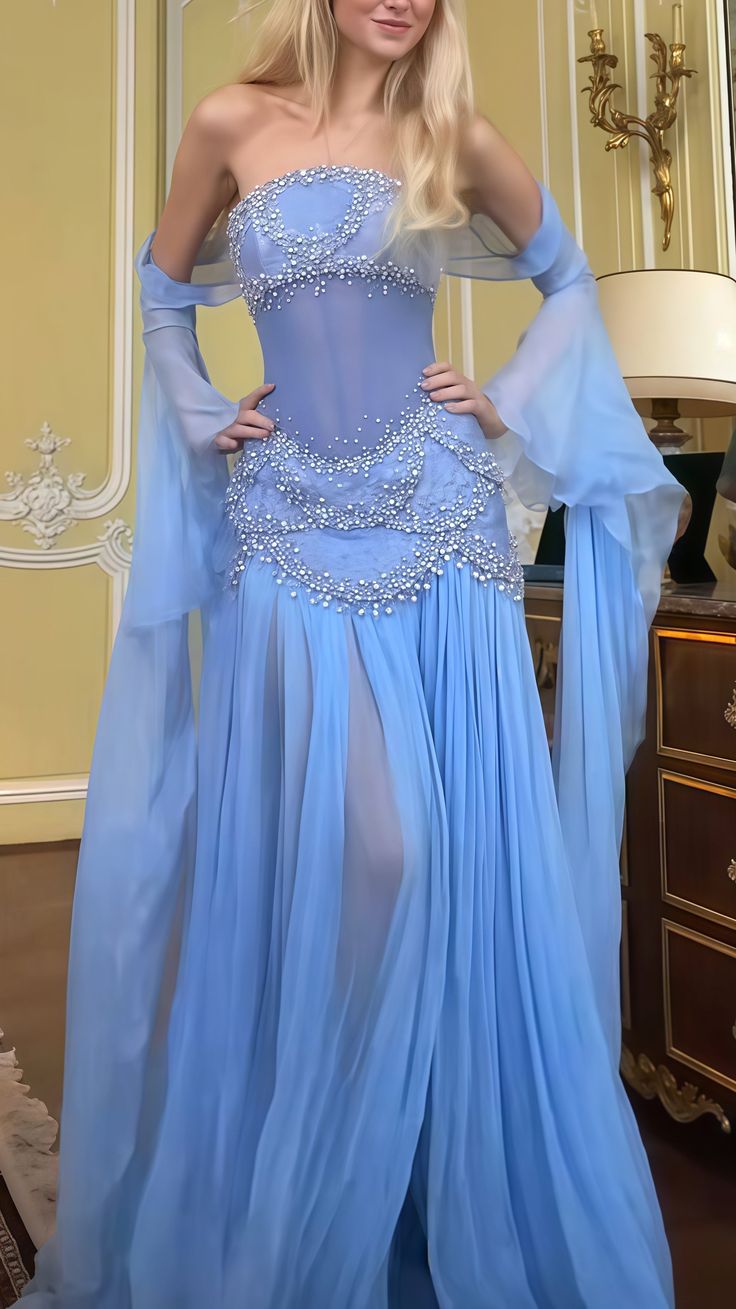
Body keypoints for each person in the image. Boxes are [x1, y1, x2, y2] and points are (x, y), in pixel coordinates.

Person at [21, 1, 688, 1305]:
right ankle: (311, 1168)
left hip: (437, 526)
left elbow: (569, 280)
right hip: (286, 529)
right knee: (359, 853)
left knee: (431, 855)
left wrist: (507, 399)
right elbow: (161, 291)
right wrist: (199, 409)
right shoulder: (231, 122)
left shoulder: (452, 132)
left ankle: (421, 1181)